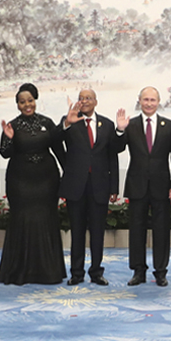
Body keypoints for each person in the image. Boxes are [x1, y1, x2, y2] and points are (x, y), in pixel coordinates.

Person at [0, 83, 66, 285]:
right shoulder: (12, 126)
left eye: (30, 100)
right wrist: (9, 139)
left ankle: (48, 271)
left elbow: (59, 151)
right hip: (20, 182)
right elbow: (5, 153)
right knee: (22, 220)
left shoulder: (47, 122)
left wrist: (69, 177)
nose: (27, 105)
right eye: (22, 102)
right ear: (17, 105)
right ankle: (20, 271)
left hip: (46, 181)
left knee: (46, 220)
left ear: (35, 101)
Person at [115, 86, 171, 287]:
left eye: (153, 100)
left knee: (162, 231)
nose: (149, 103)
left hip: (162, 186)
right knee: (136, 230)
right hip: (137, 185)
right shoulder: (131, 124)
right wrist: (120, 130)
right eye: (146, 99)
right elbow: (117, 148)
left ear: (158, 102)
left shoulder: (168, 125)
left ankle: (160, 272)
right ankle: (138, 271)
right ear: (140, 101)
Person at [58, 88, 123, 286]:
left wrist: (114, 187)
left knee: (97, 232)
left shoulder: (107, 124)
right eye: (81, 98)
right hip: (76, 186)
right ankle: (76, 273)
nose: (84, 101)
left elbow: (113, 155)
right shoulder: (70, 121)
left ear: (96, 101)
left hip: (100, 186)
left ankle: (96, 272)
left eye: (88, 98)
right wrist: (66, 123)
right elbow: (54, 140)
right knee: (77, 232)